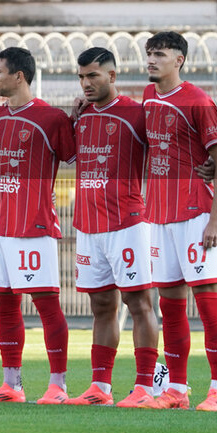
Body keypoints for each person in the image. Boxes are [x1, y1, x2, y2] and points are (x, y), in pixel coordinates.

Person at [0, 47, 76, 404]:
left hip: (34, 226)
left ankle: (58, 386)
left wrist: (78, 117)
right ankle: (11, 385)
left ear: (19, 76)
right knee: (4, 304)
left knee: (47, 305)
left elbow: (79, 155)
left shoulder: (51, 118)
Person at [64, 48, 160, 408]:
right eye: (81, 77)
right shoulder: (82, 115)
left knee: (139, 304)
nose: (86, 83)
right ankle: (99, 388)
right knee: (101, 305)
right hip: (88, 225)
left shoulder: (138, 114)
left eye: (93, 76)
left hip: (127, 222)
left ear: (112, 76)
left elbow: (169, 148)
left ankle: (144, 388)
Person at [142, 31, 217, 412]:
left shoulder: (198, 101)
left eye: (159, 54)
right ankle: (176, 390)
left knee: (208, 306)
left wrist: (216, 220)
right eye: (148, 54)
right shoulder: (148, 98)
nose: (150, 60)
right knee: (171, 308)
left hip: (195, 215)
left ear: (178, 60)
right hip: (159, 218)